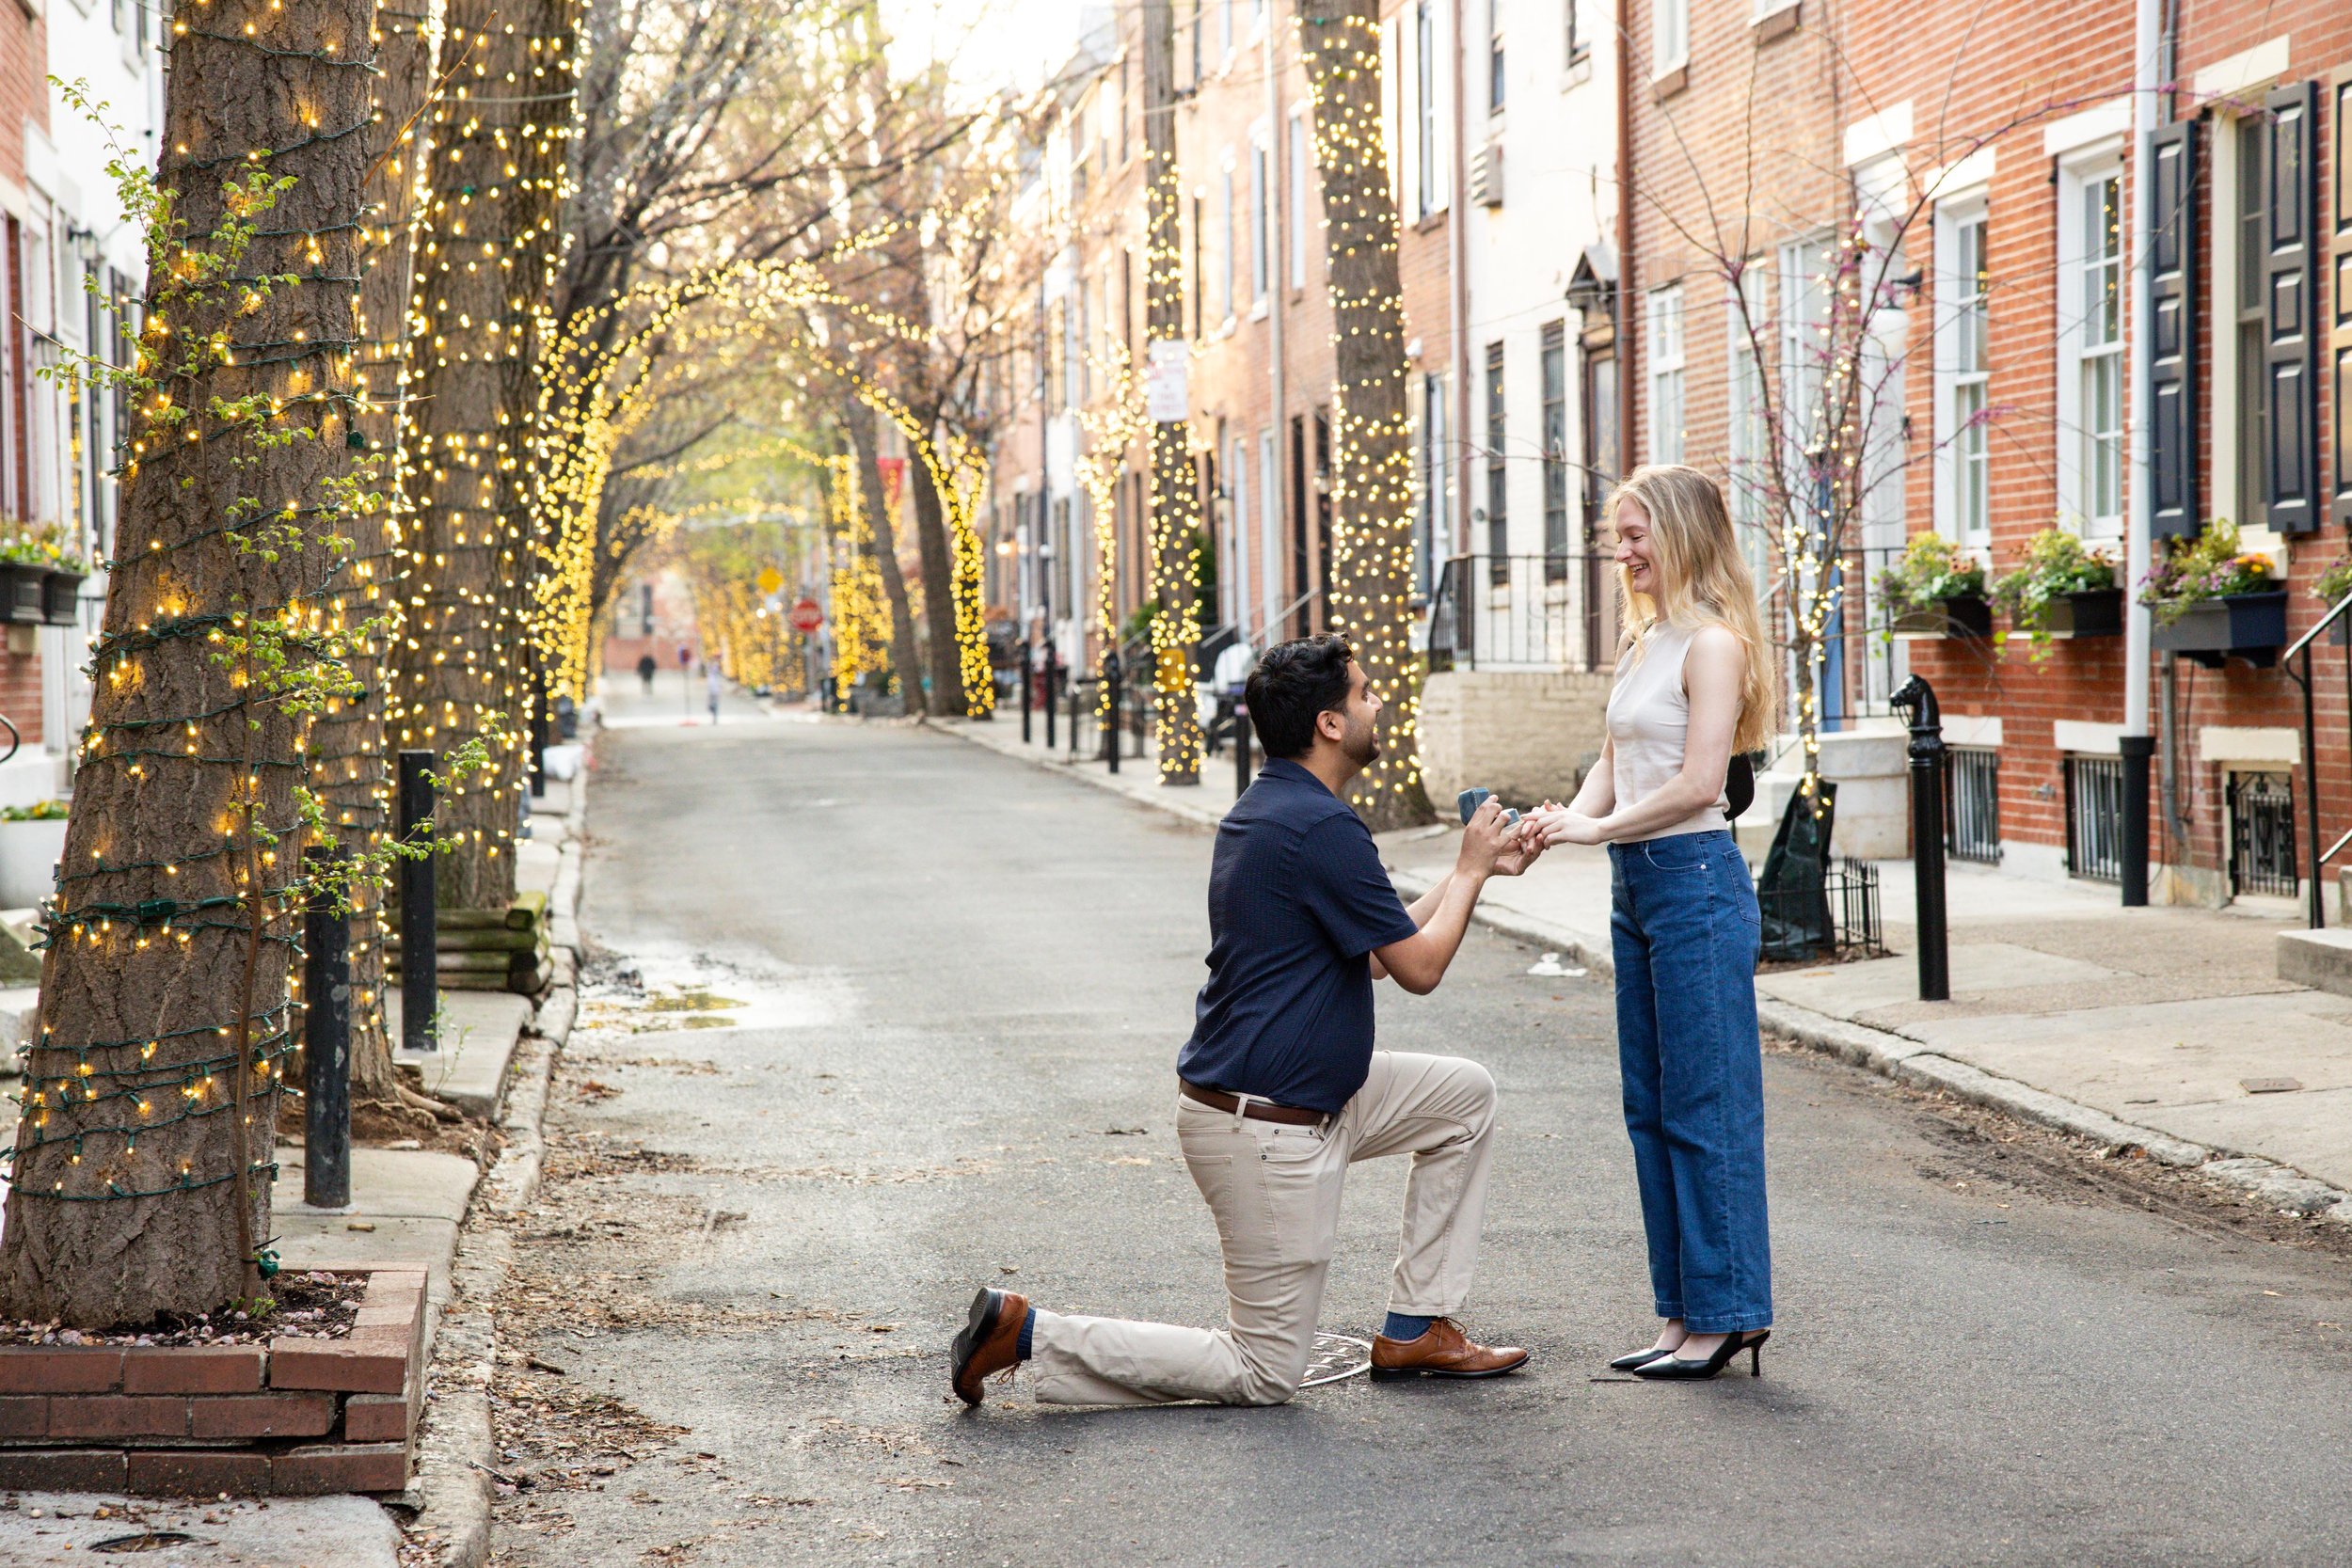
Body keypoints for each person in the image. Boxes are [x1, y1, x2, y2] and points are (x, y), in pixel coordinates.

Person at [951, 635, 1544, 1408]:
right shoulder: (1320, 828)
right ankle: (1028, 1333)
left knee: (1464, 1096)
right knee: (1263, 1371)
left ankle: (1415, 1326)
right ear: (1330, 723)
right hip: (1266, 1125)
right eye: (1365, 694)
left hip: (1309, 1096)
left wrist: (1478, 873)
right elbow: (1420, 969)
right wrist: (1467, 869)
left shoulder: (1278, 808)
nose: (1377, 706)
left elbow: (1380, 951)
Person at [1528, 464, 1777, 1382]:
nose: (1623, 553)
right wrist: (1561, 820)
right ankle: (1680, 1311)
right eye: (1618, 537)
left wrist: (1598, 828)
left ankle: (1728, 1312)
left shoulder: (1711, 644)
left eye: (1636, 536)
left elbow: (1700, 783)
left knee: (1707, 1106)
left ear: (1680, 535)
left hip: (1693, 879)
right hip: (1636, 884)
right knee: (1652, 1108)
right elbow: (1612, 762)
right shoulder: (1643, 641)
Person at [705, 659, 723, 724]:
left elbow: (716, 667)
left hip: (715, 690)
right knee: (710, 705)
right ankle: (714, 715)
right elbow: (708, 666)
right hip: (711, 690)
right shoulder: (710, 673)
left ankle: (714, 718)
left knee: (715, 704)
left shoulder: (715, 673)